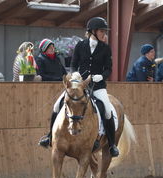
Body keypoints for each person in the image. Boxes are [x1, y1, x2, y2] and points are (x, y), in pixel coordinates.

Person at [38, 17, 119, 157]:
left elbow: (109, 68)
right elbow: (74, 64)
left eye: (104, 31)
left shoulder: (106, 48)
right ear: (92, 31)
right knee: (57, 106)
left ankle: (111, 145)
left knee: (106, 110)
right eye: (101, 31)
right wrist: (74, 72)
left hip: (98, 85)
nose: (104, 33)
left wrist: (102, 76)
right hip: (79, 85)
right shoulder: (80, 45)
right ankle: (50, 137)